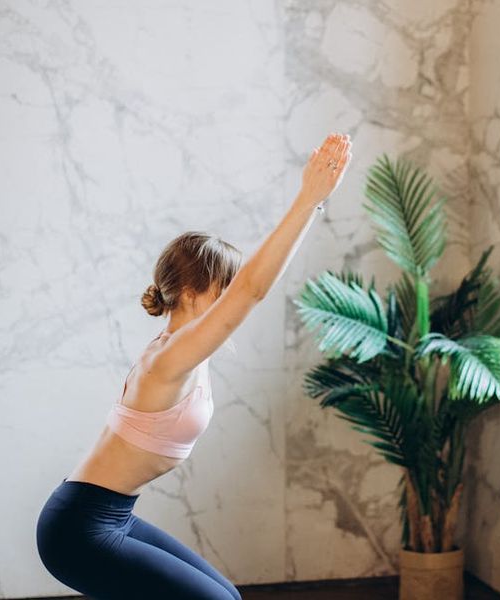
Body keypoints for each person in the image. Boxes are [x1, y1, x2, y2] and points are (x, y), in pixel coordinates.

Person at [36, 133, 353, 600]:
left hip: (109, 514)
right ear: (188, 293)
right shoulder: (169, 358)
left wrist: (314, 205)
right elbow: (252, 289)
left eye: (229, 288)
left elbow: (250, 288)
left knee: (228, 596)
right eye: (221, 288)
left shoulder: (186, 351)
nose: (230, 299)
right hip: (80, 527)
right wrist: (309, 199)